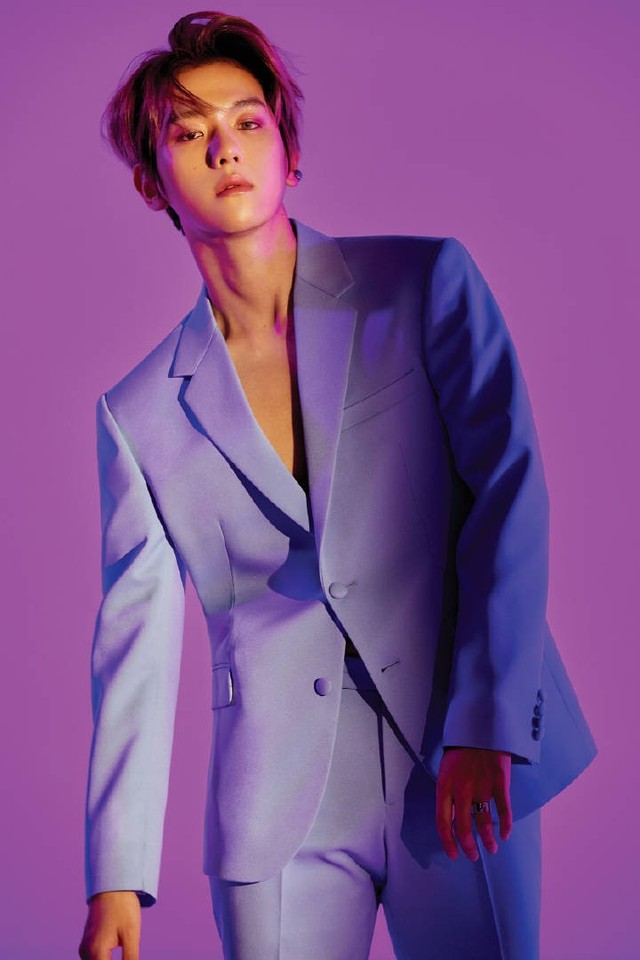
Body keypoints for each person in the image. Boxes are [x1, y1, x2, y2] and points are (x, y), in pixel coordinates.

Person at [78, 11, 596, 960]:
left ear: (289, 148)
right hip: (276, 808)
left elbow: (507, 493)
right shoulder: (139, 412)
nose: (225, 149)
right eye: (189, 134)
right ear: (153, 181)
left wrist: (487, 723)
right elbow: (134, 647)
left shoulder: (424, 283)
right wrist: (117, 873)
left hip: (458, 756)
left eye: (248, 121)